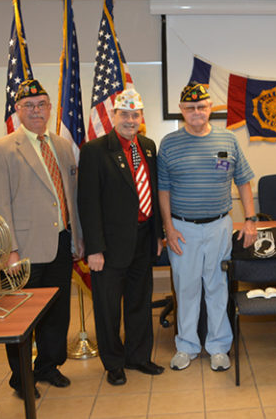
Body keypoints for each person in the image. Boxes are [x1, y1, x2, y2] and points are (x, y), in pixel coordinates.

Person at [0, 79, 83, 398]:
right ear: (18, 110)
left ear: (50, 108)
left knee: (57, 312)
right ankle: (21, 376)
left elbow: (71, 197)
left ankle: (47, 367)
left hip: (61, 244)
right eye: (29, 105)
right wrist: (8, 251)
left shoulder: (63, 146)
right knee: (21, 316)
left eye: (42, 104)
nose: (37, 111)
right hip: (22, 252)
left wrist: (77, 238)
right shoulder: (1, 149)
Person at [158, 82, 257, 372]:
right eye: (190, 108)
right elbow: (163, 189)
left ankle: (218, 347)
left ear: (210, 108)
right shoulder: (169, 144)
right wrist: (168, 228)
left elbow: (243, 181)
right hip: (182, 228)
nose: (197, 112)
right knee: (186, 288)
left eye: (202, 106)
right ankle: (186, 346)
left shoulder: (228, 140)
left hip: (219, 226)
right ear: (182, 110)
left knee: (217, 287)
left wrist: (250, 219)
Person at [78, 89, 164, 386]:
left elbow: (153, 194)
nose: (130, 120)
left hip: (143, 239)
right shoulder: (94, 150)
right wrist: (95, 249)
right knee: (108, 307)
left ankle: (138, 356)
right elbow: (88, 204)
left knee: (140, 302)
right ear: (114, 116)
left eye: (135, 115)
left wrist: (158, 235)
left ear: (142, 118)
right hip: (109, 246)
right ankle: (113, 363)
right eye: (124, 114)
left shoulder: (149, 147)